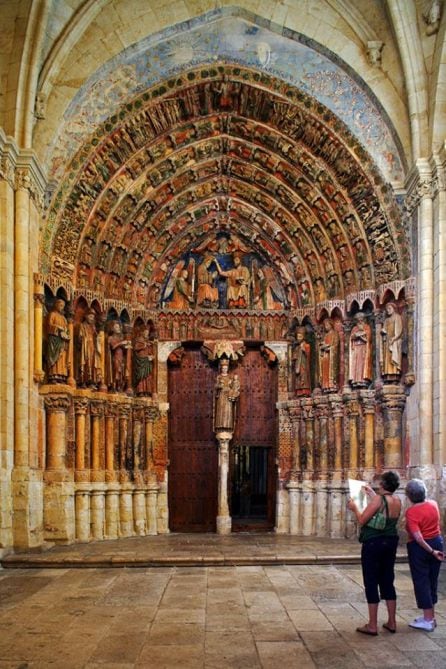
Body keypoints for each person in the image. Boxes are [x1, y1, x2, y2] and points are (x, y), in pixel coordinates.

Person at [347, 471, 401, 635]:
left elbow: (363, 520)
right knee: (387, 579)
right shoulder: (397, 500)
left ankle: (372, 625)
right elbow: (383, 514)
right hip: (390, 542)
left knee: (371, 580)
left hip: (374, 542)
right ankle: (392, 621)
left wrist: (355, 508)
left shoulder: (379, 499)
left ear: (383, 485)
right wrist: (371, 494)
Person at [405, 478, 444, 631]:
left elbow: (418, 537)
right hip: (437, 542)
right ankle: (431, 617)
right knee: (432, 580)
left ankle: (427, 619)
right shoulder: (433, 503)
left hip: (422, 548)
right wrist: (435, 550)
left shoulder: (412, 512)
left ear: (409, 496)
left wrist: (431, 551)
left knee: (422, 581)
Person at [46, 298, 70, 382]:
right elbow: (49, 325)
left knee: (62, 357)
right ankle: (53, 374)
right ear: (56, 305)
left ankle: (61, 375)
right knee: (55, 357)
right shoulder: (52, 314)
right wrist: (57, 328)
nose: (62, 307)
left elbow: (67, 329)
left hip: (62, 340)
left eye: (63, 306)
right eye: (60, 305)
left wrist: (66, 333)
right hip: (54, 339)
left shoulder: (63, 318)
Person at [213, 358, 240, 433]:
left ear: (227, 369)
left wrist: (235, 382)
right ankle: (220, 425)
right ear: (221, 368)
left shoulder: (230, 377)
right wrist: (219, 386)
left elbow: (234, 387)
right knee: (221, 410)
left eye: (226, 368)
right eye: (223, 368)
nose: (224, 369)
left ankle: (228, 426)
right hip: (221, 396)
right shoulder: (219, 377)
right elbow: (215, 386)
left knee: (228, 411)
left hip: (228, 396)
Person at [76, 309, 101, 387]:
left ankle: (91, 381)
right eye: (90, 316)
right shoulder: (82, 325)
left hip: (92, 346)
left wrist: (97, 336)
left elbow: (96, 337)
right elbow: (80, 337)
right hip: (85, 346)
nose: (92, 318)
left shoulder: (93, 327)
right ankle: (83, 380)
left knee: (93, 362)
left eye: (93, 317)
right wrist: (84, 339)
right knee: (86, 361)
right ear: (86, 316)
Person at [349, 312, 372, 387]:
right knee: (356, 364)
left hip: (363, 348)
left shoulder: (366, 327)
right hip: (356, 348)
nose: (360, 321)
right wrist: (355, 336)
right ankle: (356, 380)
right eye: (358, 319)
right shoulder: (354, 328)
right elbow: (351, 337)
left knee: (362, 363)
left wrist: (361, 335)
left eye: (361, 319)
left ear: (364, 319)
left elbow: (368, 338)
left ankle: (363, 380)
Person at [380, 302, 403, 378]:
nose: (388, 311)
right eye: (387, 309)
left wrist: (394, 338)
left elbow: (399, 329)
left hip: (394, 340)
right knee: (387, 357)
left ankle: (395, 372)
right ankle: (387, 372)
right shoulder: (386, 320)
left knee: (393, 355)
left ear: (394, 309)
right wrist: (383, 332)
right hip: (387, 340)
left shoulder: (397, 317)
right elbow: (384, 329)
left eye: (389, 309)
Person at [319, 318, 340, 392]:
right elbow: (322, 345)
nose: (326, 326)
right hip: (325, 356)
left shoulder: (335, 334)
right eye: (325, 325)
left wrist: (330, 348)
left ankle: (332, 386)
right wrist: (321, 347)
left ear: (331, 325)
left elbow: (336, 345)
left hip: (331, 356)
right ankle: (325, 386)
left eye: (327, 325)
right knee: (325, 371)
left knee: (330, 371)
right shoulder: (325, 336)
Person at [132, 327, 154, 396]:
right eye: (145, 332)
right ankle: (140, 391)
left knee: (147, 375)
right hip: (140, 359)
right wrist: (144, 345)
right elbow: (135, 347)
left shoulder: (148, 341)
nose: (146, 333)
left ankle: (147, 391)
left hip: (147, 359)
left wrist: (151, 355)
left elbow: (150, 350)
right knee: (141, 375)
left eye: (147, 332)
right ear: (142, 332)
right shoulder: (139, 339)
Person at [292, 327, 311, 397]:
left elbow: (308, 355)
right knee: (298, 378)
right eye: (297, 337)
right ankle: (298, 392)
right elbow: (294, 356)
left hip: (303, 365)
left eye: (300, 336)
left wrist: (304, 350)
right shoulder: (297, 347)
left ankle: (305, 391)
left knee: (304, 377)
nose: (298, 338)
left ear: (303, 337)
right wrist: (294, 357)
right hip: (298, 365)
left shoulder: (307, 345)